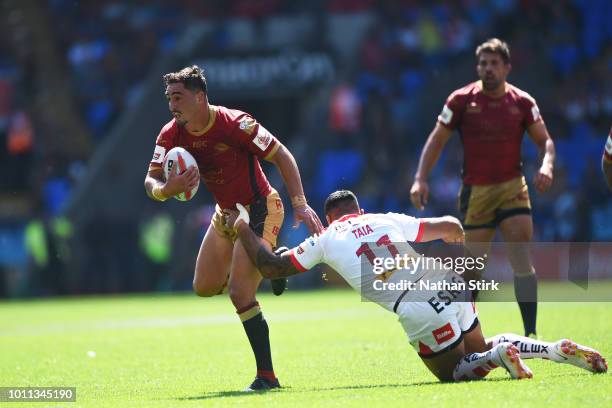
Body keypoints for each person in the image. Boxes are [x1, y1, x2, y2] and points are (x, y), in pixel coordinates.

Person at [227, 190, 607, 383]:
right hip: (447, 280)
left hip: (415, 305)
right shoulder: (383, 217)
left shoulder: (324, 239)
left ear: (329, 218)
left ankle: (499, 356)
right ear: (358, 211)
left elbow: (272, 267)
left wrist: (241, 226)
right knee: (478, 344)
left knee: (453, 371)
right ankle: (553, 349)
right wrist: (456, 231)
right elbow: (442, 226)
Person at [144, 65, 324, 391]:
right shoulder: (170, 134)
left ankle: (267, 377)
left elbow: (281, 154)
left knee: (240, 293)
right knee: (203, 286)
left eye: (178, 97)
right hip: (225, 215)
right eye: (169, 97)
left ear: (200, 97)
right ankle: (272, 263)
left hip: (260, 209)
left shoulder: (235, 123)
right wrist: (165, 190)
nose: (172, 105)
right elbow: (151, 180)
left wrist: (299, 203)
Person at [409, 38, 556, 337]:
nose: (488, 69)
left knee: (521, 259)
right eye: (483, 64)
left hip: (513, 187)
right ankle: (466, 335)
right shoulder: (461, 100)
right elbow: (437, 139)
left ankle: (531, 334)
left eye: (494, 63)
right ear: (478, 67)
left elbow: (545, 142)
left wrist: (546, 166)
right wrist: (420, 178)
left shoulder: (523, 102)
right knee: (473, 270)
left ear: (507, 67)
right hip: (476, 193)